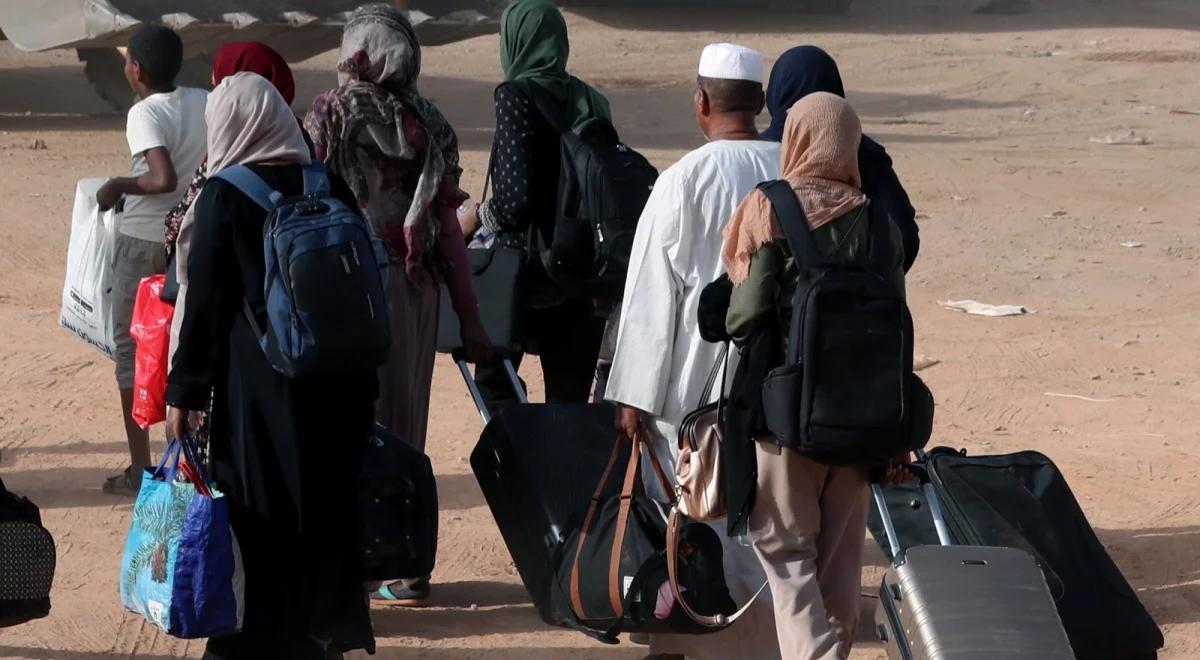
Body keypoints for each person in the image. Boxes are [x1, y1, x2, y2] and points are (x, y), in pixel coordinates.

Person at [165, 72, 375, 659]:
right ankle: (318, 638)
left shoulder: (225, 194)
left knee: (259, 524)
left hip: (258, 397)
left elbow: (205, 305)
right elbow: (359, 289)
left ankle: (256, 642)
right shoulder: (326, 180)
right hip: (338, 389)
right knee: (325, 514)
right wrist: (370, 384)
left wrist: (182, 394)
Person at [304, 3, 489, 606]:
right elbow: (450, 231)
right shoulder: (431, 124)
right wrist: (470, 317)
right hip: (416, 288)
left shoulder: (332, 113)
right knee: (404, 422)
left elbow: (310, 200)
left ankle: (348, 567)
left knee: (346, 419)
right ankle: (403, 563)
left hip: (346, 283)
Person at [604, 43, 782, 660]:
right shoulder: (794, 169)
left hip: (688, 404)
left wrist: (632, 398)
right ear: (760, 104)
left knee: (690, 536)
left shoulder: (681, 182)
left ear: (701, 103)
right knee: (769, 540)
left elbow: (651, 302)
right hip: (782, 396)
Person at [721, 92, 907, 660]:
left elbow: (745, 314)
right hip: (861, 419)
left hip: (785, 414)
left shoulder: (770, 207)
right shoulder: (881, 221)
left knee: (785, 554)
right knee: (840, 566)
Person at [457, 0, 609, 411]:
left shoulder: (515, 95)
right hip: (582, 273)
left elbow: (514, 202)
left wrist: (474, 216)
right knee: (569, 407)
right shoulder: (591, 100)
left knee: (493, 386)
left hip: (525, 275)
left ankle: (526, 467)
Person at [96, 25, 207, 495]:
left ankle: (141, 467)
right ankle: (193, 458)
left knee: (133, 349)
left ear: (136, 69)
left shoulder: (143, 112)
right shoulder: (203, 99)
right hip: (192, 237)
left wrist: (117, 186)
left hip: (143, 240)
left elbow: (161, 178)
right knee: (186, 343)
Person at [164, 41, 301, 367]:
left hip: (239, 344)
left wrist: (184, 386)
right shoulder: (310, 160)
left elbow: (198, 279)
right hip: (305, 341)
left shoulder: (221, 185)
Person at [762, 45, 920, 272]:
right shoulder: (865, 154)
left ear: (776, 91)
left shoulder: (754, 151)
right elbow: (903, 233)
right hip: (863, 298)